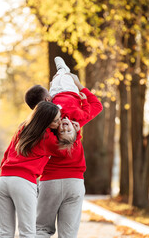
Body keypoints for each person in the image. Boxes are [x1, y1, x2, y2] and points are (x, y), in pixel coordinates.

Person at [24, 57, 103, 238]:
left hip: (49, 181)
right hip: (74, 181)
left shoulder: (44, 126)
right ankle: (62, 73)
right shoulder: (75, 120)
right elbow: (97, 105)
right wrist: (81, 87)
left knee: (42, 229)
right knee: (68, 235)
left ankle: (62, 74)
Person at [0, 101, 66, 238]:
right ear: (46, 122)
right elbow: (64, 152)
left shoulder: (22, 128)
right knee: (27, 232)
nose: (59, 123)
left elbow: (6, 155)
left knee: (5, 232)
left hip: (3, 180)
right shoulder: (48, 138)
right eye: (56, 121)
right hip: (23, 182)